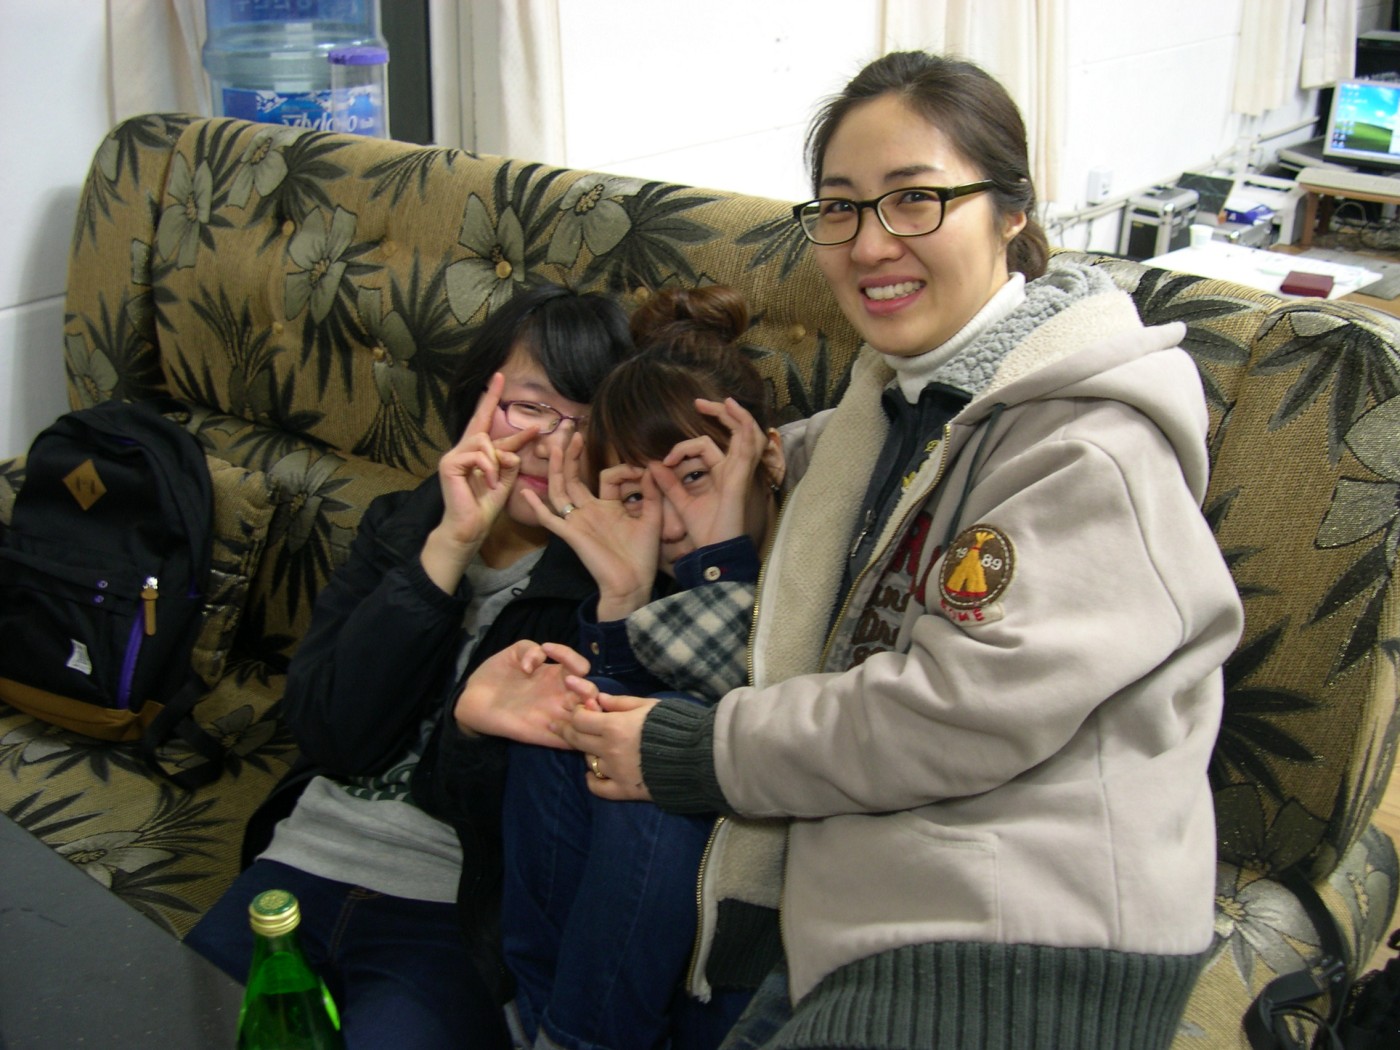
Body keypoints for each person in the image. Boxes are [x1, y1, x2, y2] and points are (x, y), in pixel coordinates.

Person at [553, 51, 1246, 1050]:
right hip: (875, 894)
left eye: (915, 199)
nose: (871, 244)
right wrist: (706, 473)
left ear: (1010, 210)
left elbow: (955, 710)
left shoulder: (1087, 445)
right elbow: (833, 469)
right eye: (840, 208)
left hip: (1024, 932)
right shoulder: (897, 398)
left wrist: (701, 751)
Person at [184, 282, 634, 1050]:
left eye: (585, 423)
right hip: (302, 864)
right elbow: (331, 734)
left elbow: (551, 827)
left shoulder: (604, 581)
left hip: (452, 912)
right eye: (528, 407)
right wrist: (447, 550)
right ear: (478, 399)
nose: (550, 444)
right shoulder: (402, 524)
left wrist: (477, 726)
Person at [455, 286, 783, 1050]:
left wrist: (716, 568)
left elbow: (745, 728)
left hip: (769, 898)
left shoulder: (821, 552)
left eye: (694, 476)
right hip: (591, 962)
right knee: (581, 712)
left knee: (659, 746)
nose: (669, 522)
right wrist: (624, 600)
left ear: (765, 455)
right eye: (637, 494)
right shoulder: (645, 574)